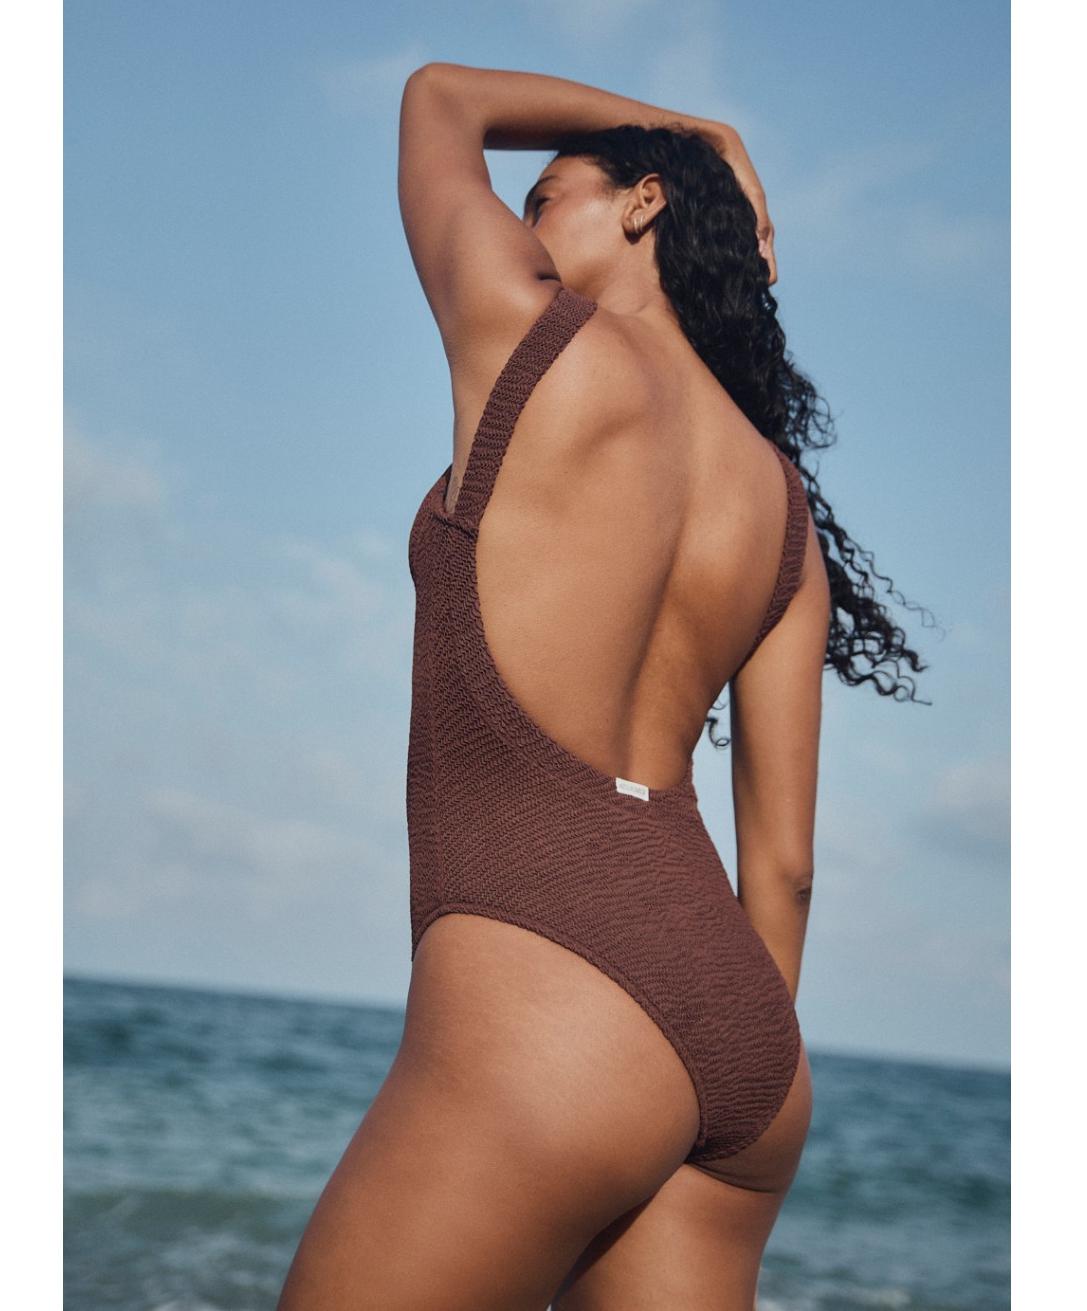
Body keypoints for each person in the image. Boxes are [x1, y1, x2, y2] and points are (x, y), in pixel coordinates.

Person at [277, 64, 928, 1311]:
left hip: (554, 992)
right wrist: (718, 1057)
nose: (520, 229)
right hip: (741, 1047)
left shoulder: (526, 337)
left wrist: (693, 127)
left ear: (642, 203)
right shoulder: (782, 508)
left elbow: (436, 100)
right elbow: (784, 865)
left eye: (543, 198)